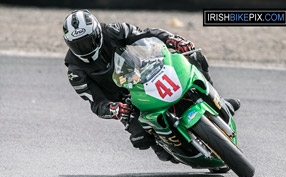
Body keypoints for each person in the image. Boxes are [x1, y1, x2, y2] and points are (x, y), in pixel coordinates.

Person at [63, 10, 240, 162]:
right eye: (77, 44)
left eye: (87, 41)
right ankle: (170, 148)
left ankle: (217, 100)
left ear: (97, 33)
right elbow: (96, 102)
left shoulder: (114, 30)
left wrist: (172, 40)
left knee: (194, 57)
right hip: (126, 101)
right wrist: (114, 109)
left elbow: (147, 35)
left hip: (144, 71)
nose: (83, 47)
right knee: (143, 140)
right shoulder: (75, 71)